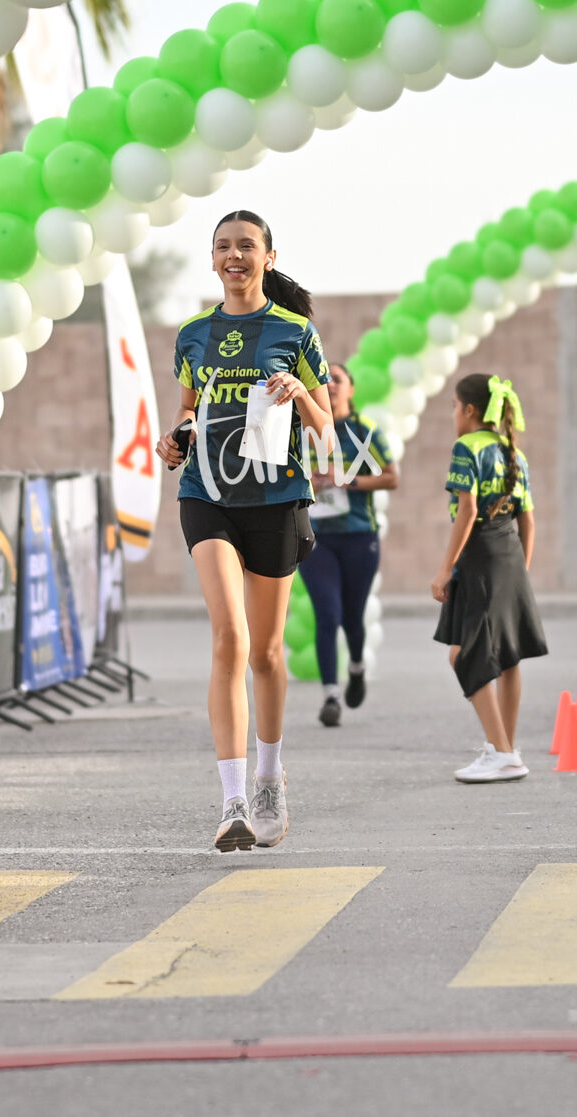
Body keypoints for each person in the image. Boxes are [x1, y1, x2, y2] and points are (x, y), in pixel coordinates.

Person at [157, 210, 332, 852]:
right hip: (206, 493)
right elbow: (187, 409)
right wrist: (174, 440)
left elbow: (327, 430)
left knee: (266, 652)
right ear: (212, 259)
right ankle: (232, 800)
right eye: (223, 247)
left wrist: (298, 393)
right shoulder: (193, 335)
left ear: (268, 257)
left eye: (246, 246)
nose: (234, 256)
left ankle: (268, 778)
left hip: (275, 497)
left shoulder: (295, 331)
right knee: (229, 636)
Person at [431, 373, 547, 784]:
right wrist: (520, 570)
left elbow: (467, 510)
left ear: (469, 410)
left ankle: (502, 752)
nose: (452, 415)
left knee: (462, 654)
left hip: (480, 555)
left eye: (453, 407)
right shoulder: (513, 451)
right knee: (508, 655)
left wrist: (446, 568)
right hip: (510, 555)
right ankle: (506, 748)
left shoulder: (467, 447)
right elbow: (528, 518)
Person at [298, 362, 398, 727]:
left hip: (358, 536)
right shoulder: (302, 430)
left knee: (353, 618)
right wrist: (307, 481)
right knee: (327, 614)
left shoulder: (364, 430)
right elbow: (280, 473)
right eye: (324, 380)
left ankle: (356, 667)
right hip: (316, 537)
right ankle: (331, 696)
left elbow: (391, 477)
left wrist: (346, 481)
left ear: (351, 390)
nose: (330, 385)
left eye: (337, 379)